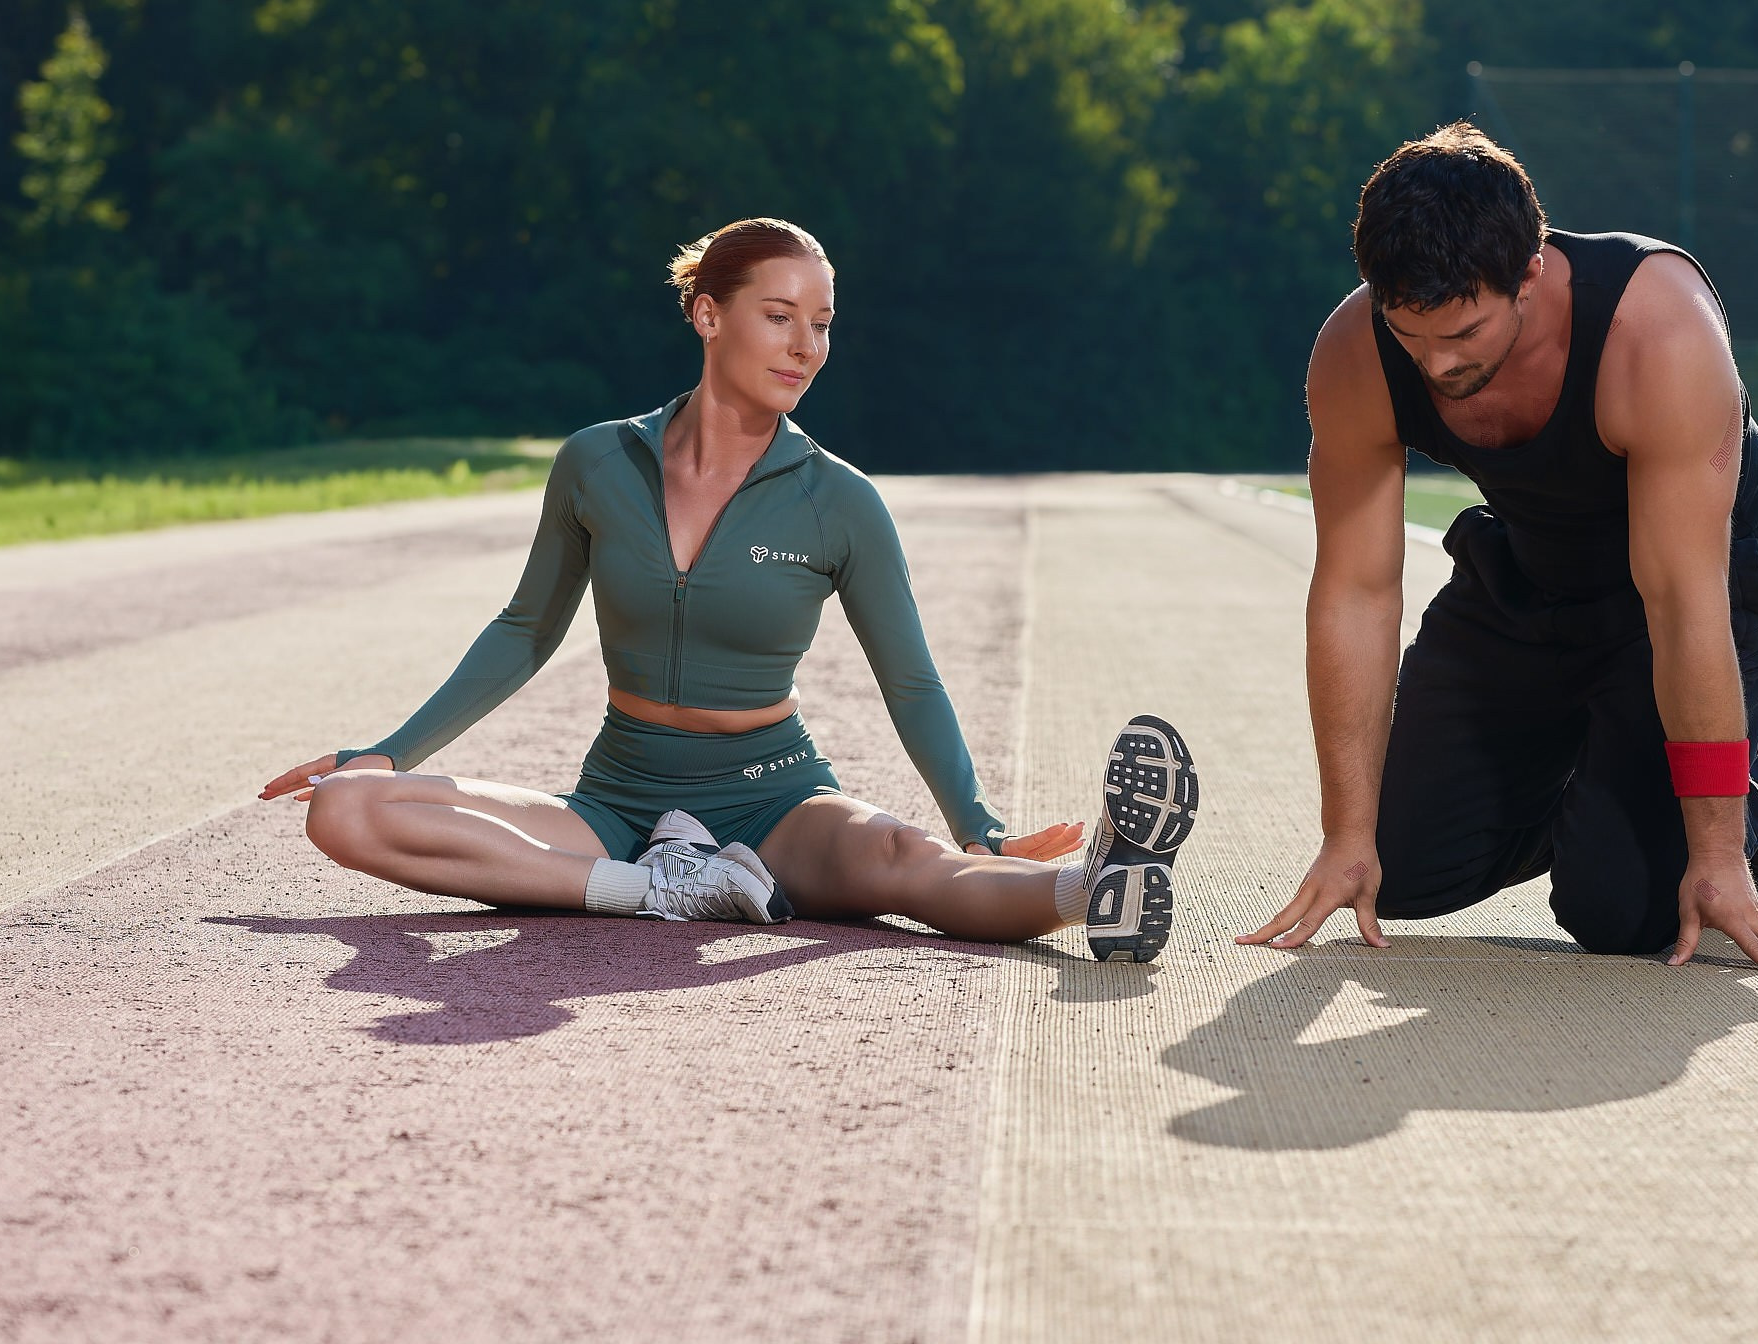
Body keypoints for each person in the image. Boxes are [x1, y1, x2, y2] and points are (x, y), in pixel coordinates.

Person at [261, 217, 1197, 961]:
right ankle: (655, 890)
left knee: (906, 861)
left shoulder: (840, 502)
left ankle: (1095, 886)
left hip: (772, 799)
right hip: (618, 803)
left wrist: (978, 825)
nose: (807, 346)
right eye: (780, 316)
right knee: (346, 806)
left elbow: (910, 681)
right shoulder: (597, 462)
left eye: (822, 323)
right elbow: (525, 629)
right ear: (708, 315)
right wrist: (388, 753)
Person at [1242, 126, 1758, 969]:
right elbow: (1355, 591)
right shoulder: (1357, 353)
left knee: (1623, 912)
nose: (1435, 364)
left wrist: (1713, 850)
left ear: (1530, 273)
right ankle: (1611, 779)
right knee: (1391, 867)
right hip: (1536, 570)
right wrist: (1345, 834)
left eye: (1464, 333)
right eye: (1411, 334)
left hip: (1695, 582)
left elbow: (1681, 604)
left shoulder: (1657, 333)